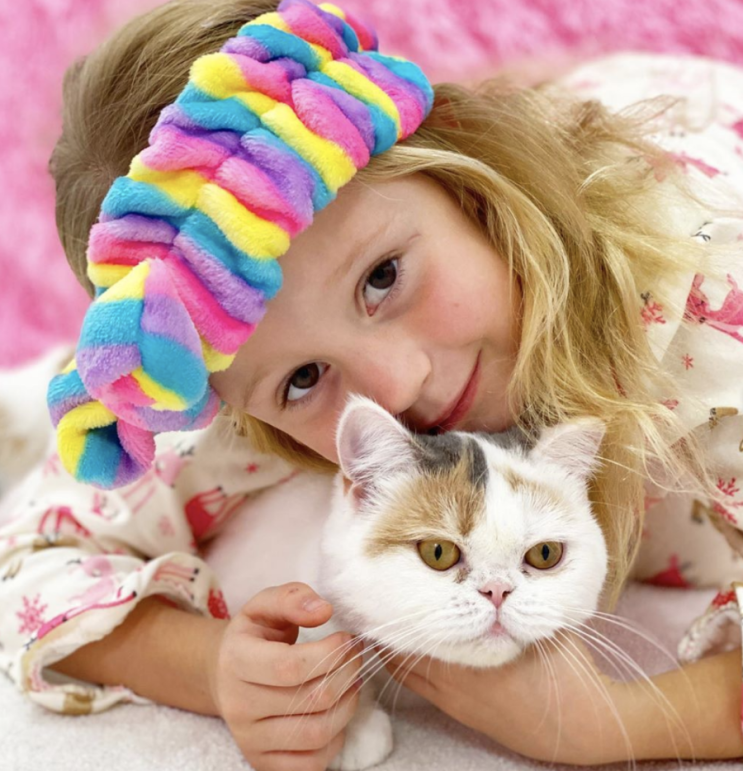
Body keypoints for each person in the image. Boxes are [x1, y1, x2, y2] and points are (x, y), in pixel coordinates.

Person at [0, 0, 742, 767]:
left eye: (382, 277)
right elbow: (31, 558)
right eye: (303, 378)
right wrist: (215, 667)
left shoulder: (709, 309)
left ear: (455, 174)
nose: (395, 386)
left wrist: (622, 723)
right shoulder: (231, 394)